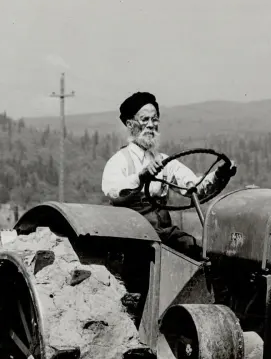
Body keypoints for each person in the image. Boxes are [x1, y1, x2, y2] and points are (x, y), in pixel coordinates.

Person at [101, 91, 236, 259]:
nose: (151, 125)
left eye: (155, 119)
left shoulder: (164, 161)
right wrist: (141, 177)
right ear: (130, 124)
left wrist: (219, 175)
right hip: (132, 235)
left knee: (198, 250)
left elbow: (194, 187)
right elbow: (114, 192)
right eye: (144, 120)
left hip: (163, 233)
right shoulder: (119, 160)